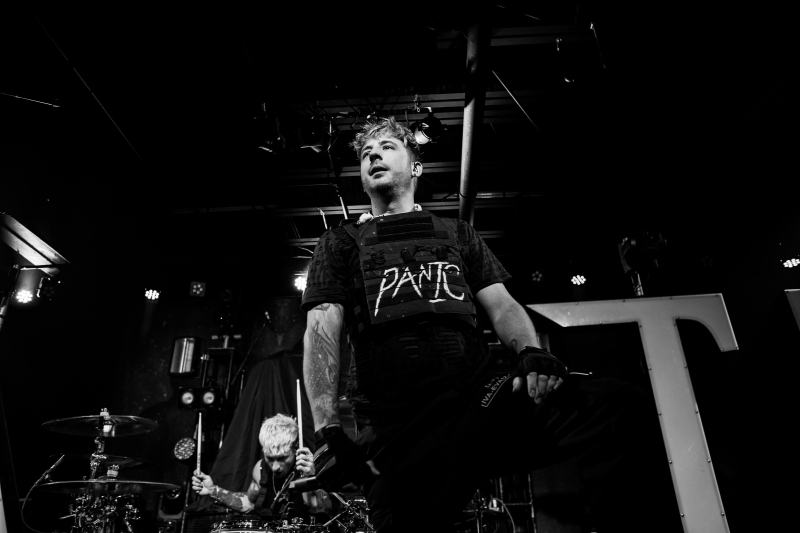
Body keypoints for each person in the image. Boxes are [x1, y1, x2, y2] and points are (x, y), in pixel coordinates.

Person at [301, 117, 663, 532]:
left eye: (387, 148)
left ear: (416, 167)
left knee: (617, 406)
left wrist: (531, 351)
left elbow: (502, 305)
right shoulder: (339, 242)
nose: (373, 156)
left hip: (477, 403)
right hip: (396, 429)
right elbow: (321, 331)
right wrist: (327, 429)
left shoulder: (457, 234)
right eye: (366, 153)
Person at [192, 413, 328, 519]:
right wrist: (212, 490)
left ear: (296, 447)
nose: (275, 467)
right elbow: (249, 503)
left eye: (282, 458)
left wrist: (312, 478)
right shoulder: (260, 469)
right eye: (270, 458)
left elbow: (323, 509)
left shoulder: (312, 467)